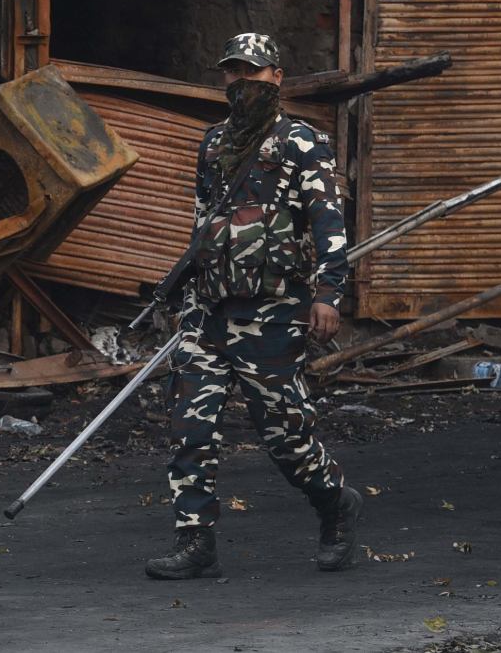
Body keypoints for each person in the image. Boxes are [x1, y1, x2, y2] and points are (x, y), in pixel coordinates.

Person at [144, 32, 361, 580]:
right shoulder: (213, 142)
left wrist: (328, 294)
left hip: (273, 309)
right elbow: (202, 221)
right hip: (209, 310)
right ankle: (196, 543)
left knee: (285, 434)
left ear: (277, 77)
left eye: (253, 71)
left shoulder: (303, 142)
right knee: (190, 427)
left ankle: (335, 503)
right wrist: (185, 293)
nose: (242, 81)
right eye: (233, 72)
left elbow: (330, 224)